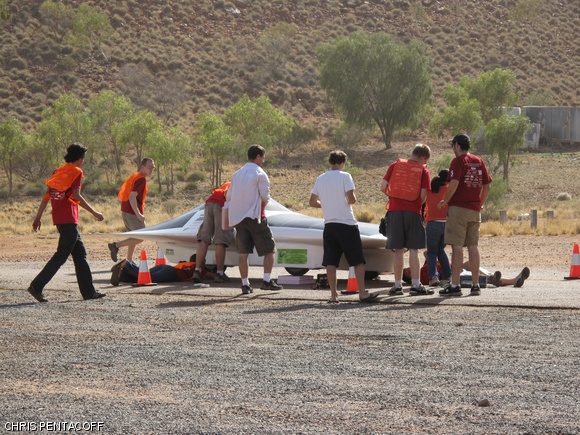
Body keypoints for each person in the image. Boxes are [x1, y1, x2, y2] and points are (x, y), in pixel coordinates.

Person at [27, 143, 106, 302]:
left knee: (80, 255)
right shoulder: (76, 172)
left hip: (60, 219)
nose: (83, 161)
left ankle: (89, 293)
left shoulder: (59, 171)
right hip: (69, 219)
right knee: (61, 256)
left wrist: (38, 217)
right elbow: (76, 195)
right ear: (80, 158)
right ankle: (36, 286)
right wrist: (94, 212)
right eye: (83, 158)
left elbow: (47, 196)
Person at [309, 150, 379, 303]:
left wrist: (327, 204)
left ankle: (333, 295)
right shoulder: (345, 176)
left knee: (330, 261)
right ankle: (362, 292)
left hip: (329, 224)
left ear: (330, 162)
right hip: (346, 223)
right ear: (343, 163)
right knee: (357, 260)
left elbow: (312, 202)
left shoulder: (321, 178)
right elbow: (352, 200)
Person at [438, 133, 492, 297]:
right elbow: (487, 186)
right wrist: (480, 203)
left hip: (458, 209)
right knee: (473, 246)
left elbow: (453, 183)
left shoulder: (458, 161)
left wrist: (445, 200)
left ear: (457, 146)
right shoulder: (479, 161)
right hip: (474, 210)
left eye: (452, 145)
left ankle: (455, 285)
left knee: (456, 246)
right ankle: (475, 285)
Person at [226, 144, 283, 295]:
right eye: (263, 157)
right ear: (258, 156)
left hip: (239, 218)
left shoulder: (237, 174)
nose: (263, 160)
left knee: (243, 252)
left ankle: (245, 284)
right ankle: (266, 280)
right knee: (269, 249)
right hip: (255, 217)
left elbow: (229, 196)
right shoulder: (260, 173)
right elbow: (265, 196)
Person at [380, 144, 433, 296]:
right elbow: (423, 196)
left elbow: (382, 187)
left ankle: (397, 286)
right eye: (425, 161)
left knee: (398, 250)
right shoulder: (424, 171)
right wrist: (415, 203)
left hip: (394, 211)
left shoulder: (395, 165)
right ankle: (416, 285)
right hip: (413, 212)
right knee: (414, 250)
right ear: (423, 157)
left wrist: (395, 196)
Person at [108, 158, 155, 262]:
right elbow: (132, 196)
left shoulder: (136, 176)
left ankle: (129, 260)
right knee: (140, 237)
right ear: (142, 167)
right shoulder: (141, 179)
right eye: (149, 167)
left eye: (153, 167)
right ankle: (116, 246)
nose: (151, 169)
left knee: (133, 238)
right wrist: (138, 214)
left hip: (125, 211)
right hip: (132, 213)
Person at [193, 182, 235, 284]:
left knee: (204, 239)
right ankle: (219, 273)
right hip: (222, 205)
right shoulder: (241, 185)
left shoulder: (228, 183)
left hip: (209, 202)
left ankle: (197, 271)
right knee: (221, 240)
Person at [424, 169, 452, 286]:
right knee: (441, 249)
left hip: (432, 223)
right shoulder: (449, 190)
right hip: (446, 223)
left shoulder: (430, 189)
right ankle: (447, 277)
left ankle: (434, 277)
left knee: (431, 252)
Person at [110, 255, 212, 285]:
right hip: (172, 273)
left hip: (166, 267)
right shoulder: (198, 268)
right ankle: (127, 264)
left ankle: (122, 274)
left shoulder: (186, 263)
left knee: (143, 277)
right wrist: (220, 275)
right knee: (149, 278)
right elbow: (211, 275)